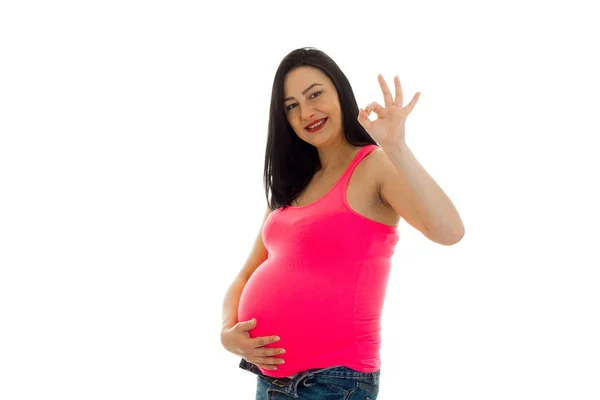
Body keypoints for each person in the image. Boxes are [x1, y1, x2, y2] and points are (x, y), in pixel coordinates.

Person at [220, 47, 465, 399]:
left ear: (340, 92)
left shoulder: (373, 166)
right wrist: (227, 332)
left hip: (334, 381)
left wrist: (396, 147)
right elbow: (245, 275)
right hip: (270, 378)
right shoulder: (291, 183)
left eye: (314, 94)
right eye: (291, 106)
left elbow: (450, 232)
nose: (306, 112)